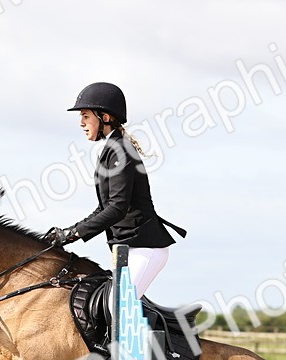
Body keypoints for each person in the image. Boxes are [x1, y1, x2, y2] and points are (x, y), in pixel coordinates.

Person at [45, 82, 185, 296]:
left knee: (116, 305)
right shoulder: (111, 150)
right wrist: (69, 232)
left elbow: (117, 208)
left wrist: (72, 233)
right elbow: (104, 208)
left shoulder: (121, 150)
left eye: (85, 116)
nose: (81, 123)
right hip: (129, 249)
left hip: (145, 248)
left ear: (105, 117)